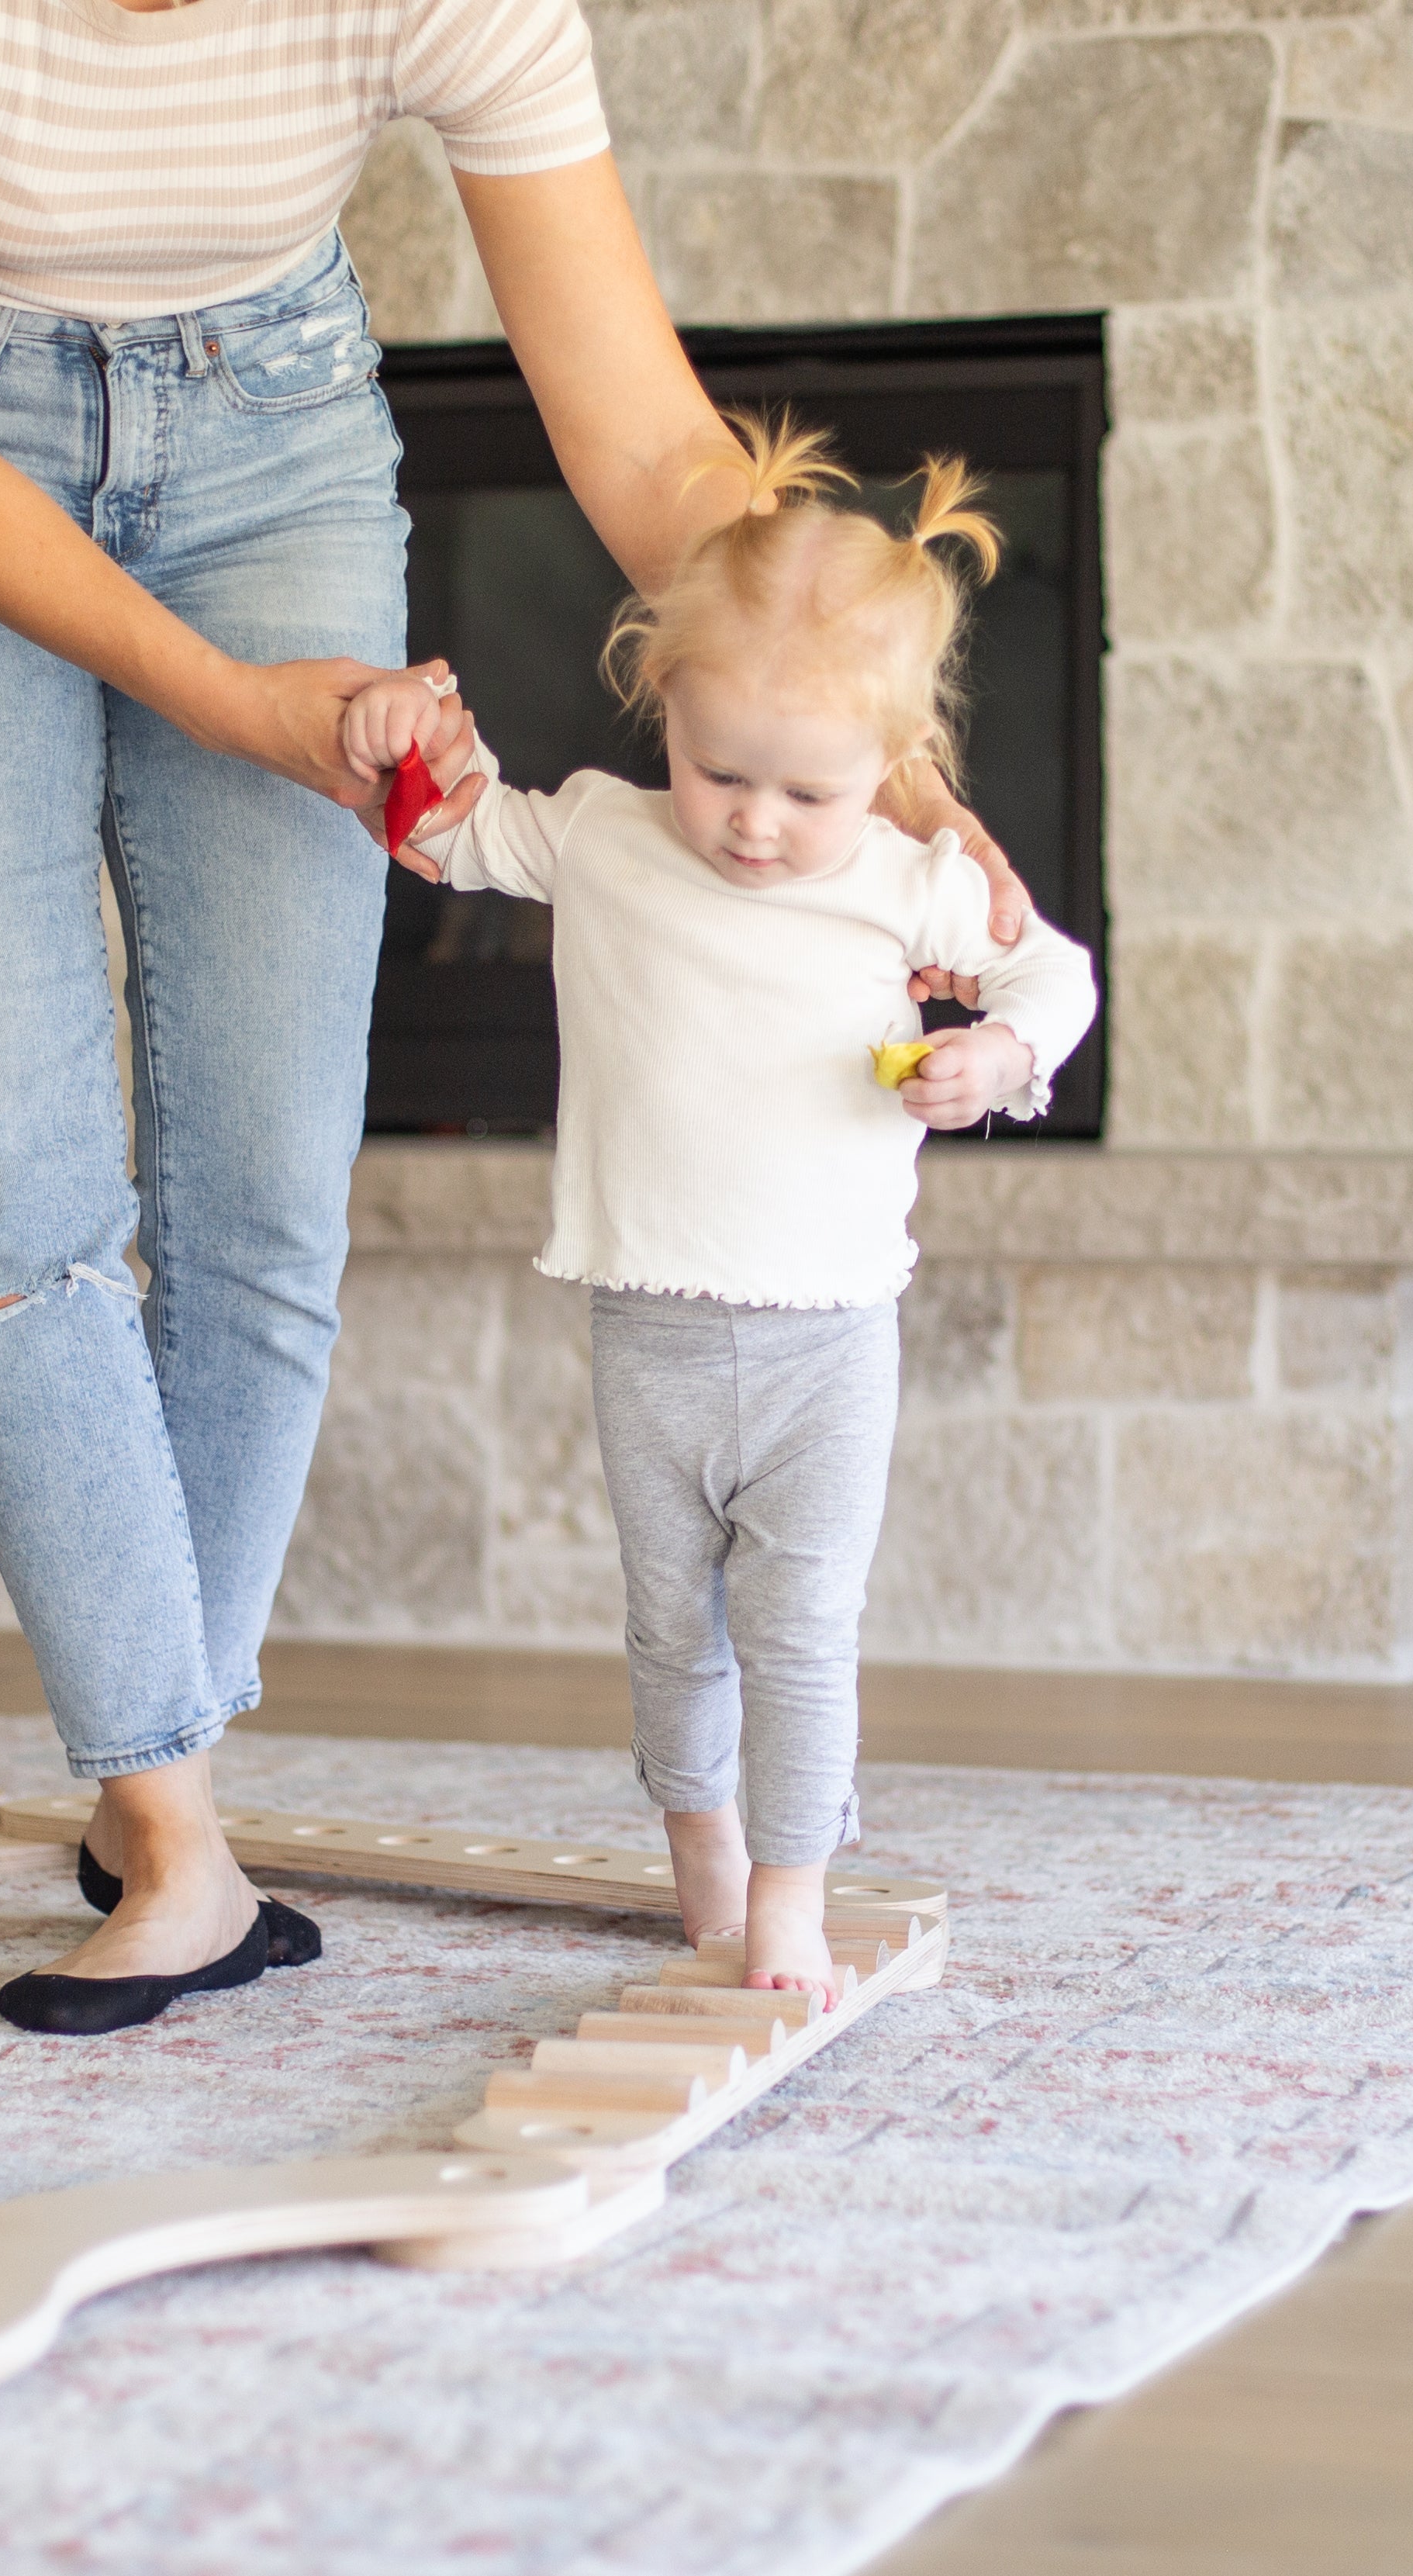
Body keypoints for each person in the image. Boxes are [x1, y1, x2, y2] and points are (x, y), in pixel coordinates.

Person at [0, 0, 1030, 2035]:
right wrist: (236, 703)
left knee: (259, 1183)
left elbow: (644, 446)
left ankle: (146, 1766)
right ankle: (168, 1837)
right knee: (12, 1199)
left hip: (269, 448)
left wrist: (885, 757)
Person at [344, 419, 1097, 1994]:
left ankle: (790, 1904)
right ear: (661, 708)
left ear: (886, 763)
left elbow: (1054, 972)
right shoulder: (611, 836)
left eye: (805, 791)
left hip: (829, 1336)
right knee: (670, 1627)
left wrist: (1003, 1052)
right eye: (717, 770)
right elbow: (442, 827)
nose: (754, 821)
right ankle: (700, 1871)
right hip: (652, 1323)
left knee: (803, 1631)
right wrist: (410, 718)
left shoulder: (906, 872)